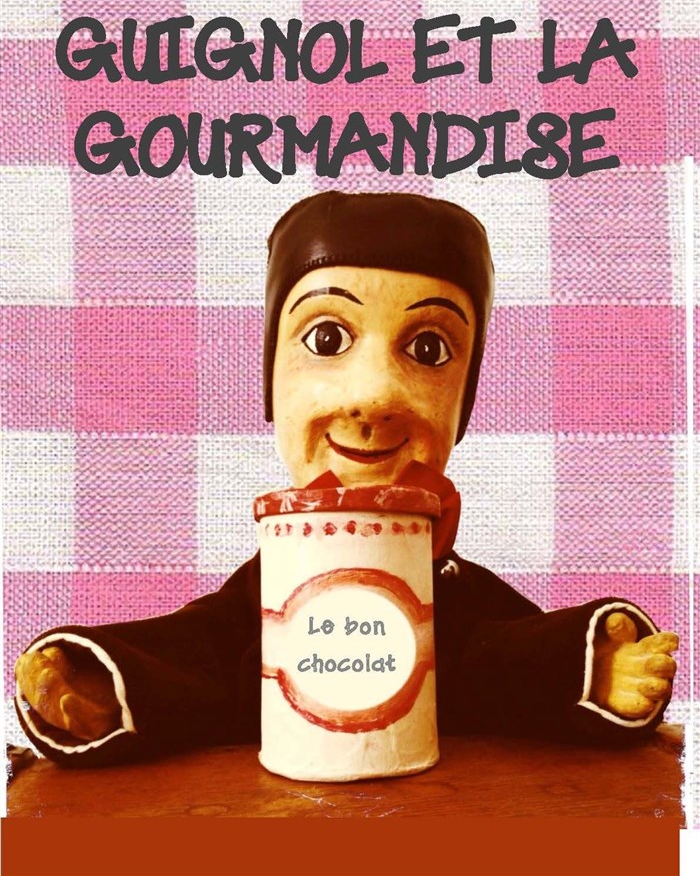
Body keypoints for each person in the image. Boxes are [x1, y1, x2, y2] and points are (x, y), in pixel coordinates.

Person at [14, 191, 678, 767]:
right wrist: (109, 681)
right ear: (272, 377)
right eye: (327, 339)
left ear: (464, 398)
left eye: (428, 349)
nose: (375, 394)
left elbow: (514, 656)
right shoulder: (258, 608)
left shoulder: (466, 605)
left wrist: (589, 667)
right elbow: (200, 655)